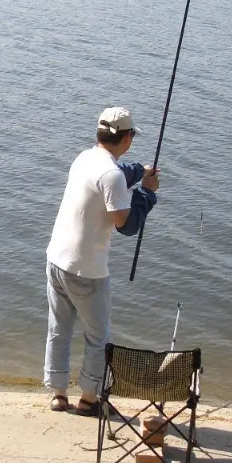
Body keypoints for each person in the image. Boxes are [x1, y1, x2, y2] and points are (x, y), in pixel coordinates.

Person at [43, 107, 159, 416]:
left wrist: (140, 171)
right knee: (98, 337)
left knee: (60, 329)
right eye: (132, 135)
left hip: (56, 260)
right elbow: (127, 224)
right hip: (87, 271)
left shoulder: (85, 158)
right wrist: (147, 194)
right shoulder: (111, 175)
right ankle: (89, 399)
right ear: (127, 139)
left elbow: (119, 175)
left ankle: (58, 394)